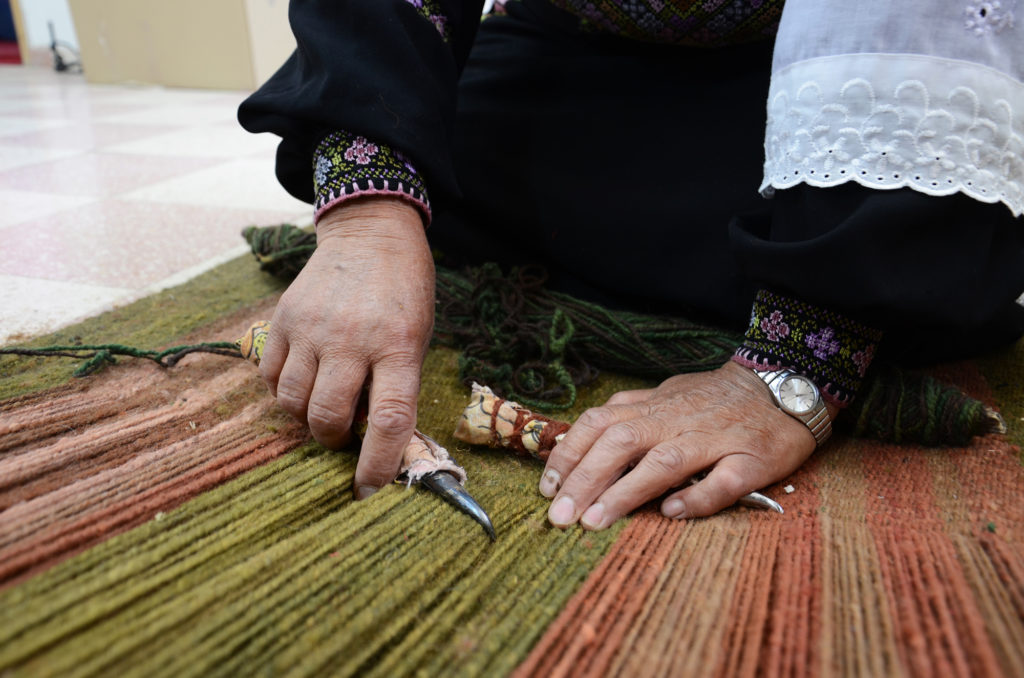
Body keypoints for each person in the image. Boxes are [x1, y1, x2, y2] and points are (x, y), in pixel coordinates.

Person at [239, 0, 1024, 531]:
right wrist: (371, 212)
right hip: (567, 68)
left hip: (834, 74)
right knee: (446, 168)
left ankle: (829, 294)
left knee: (918, 265)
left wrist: (796, 363)